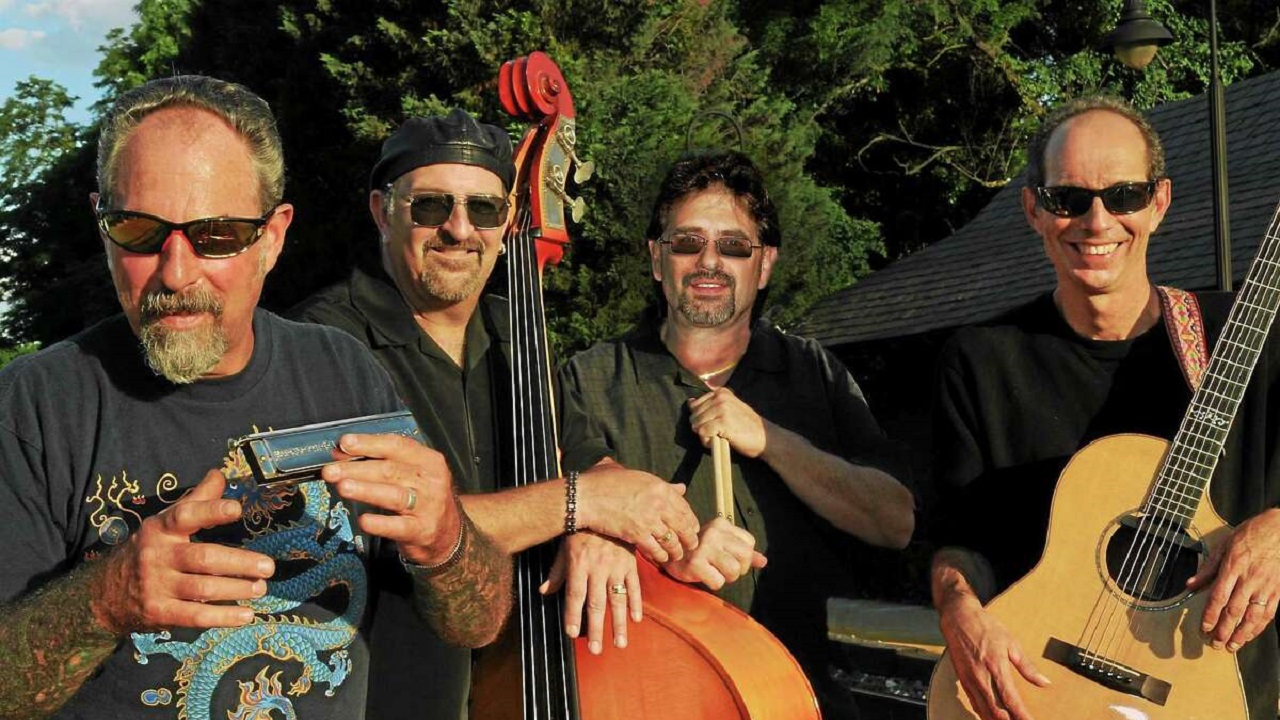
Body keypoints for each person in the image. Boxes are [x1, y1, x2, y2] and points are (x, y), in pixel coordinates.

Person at [0, 75, 512, 720]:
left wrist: (449, 542)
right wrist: (104, 601)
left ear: (273, 237)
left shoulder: (344, 372)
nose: (176, 272)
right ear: (103, 226)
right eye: (138, 230)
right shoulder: (33, 407)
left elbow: (478, 622)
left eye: (216, 235)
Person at [292, 108, 701, 719]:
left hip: (518, 681)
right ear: (382, 211)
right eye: (431, 206)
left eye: (483, 209)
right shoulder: (325, 343)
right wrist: (579, 504)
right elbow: (391, 527)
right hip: (381, 695)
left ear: (508, 220)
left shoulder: (519, 334)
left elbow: (593, 466)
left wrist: (600, 529)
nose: (459, 229)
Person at [929, 95, 1280, 720]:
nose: (1097, 221)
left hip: (1215, 699)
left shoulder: (1244, 339)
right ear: (1033, 209)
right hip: (1035, 694)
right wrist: (957, 608)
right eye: (1068, 198)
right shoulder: (980, 359)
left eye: (1124, 196)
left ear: (1159, 202)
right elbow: (959, 539)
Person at [557, 149, 916, 716]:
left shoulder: (814, 373)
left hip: (801, 700)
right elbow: (556, 532)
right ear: (656, 258)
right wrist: (664, 553)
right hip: (646, 700)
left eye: (733, 246)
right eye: (687, 242)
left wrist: (771, 439)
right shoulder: (587, 380)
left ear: (764, 264)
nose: (709, 261)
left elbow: (894, 522)